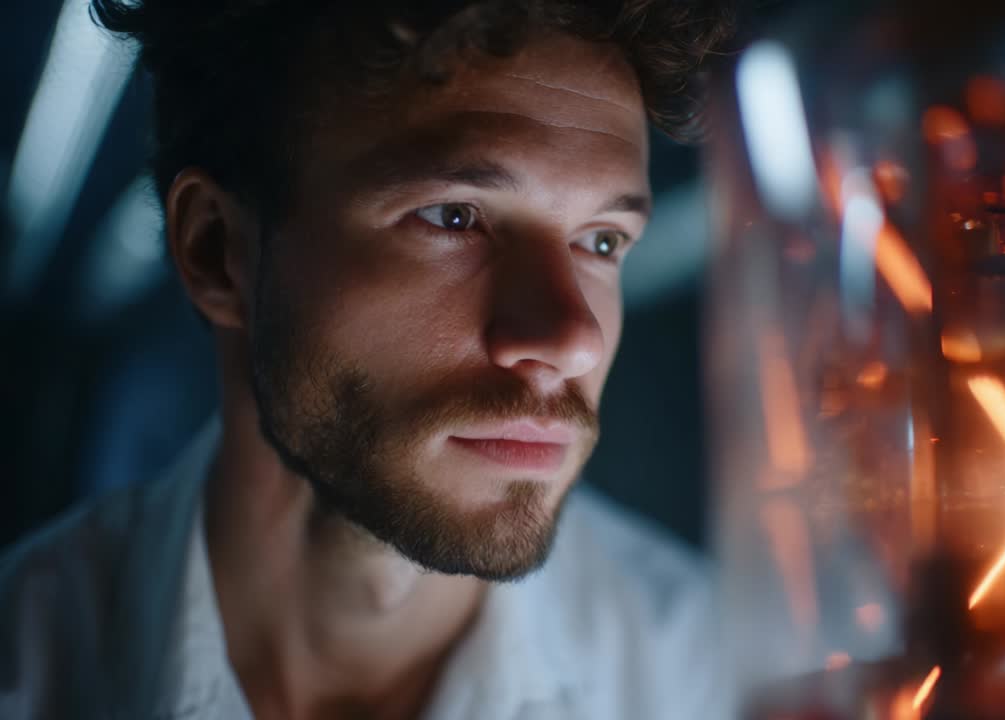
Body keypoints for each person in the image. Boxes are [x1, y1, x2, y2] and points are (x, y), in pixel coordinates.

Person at [0, 1, 735, 717]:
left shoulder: (713, 680)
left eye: (602, 241)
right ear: (218, 252)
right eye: (454, 217)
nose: (572, 337)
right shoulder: (27, 671)